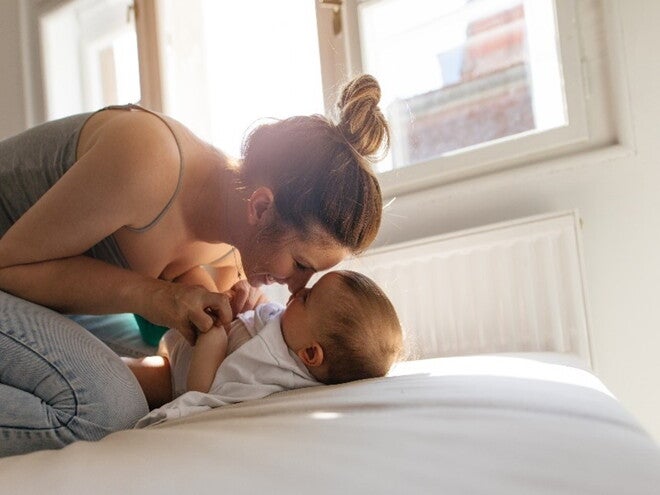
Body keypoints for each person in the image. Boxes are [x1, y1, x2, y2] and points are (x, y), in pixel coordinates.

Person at [0, 74, 390, 457]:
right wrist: (156, 295)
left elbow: (191, 356)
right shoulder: (148, 160)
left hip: (38, 294)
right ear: (260, 207)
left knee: (166, 379)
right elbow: (9, 265)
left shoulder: (234, 249)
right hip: (11, 266)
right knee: (109, 408)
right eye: (301, 264)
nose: (294, 288)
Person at [125, 270, 403, 420]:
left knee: (132, 373)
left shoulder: (267, 370)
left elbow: (202, 392)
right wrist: (245, 296)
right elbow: (261, 311)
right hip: (180, 335)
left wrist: (214, 336)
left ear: (310, 354)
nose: (298, 291)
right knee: (184, 266)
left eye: (307, 298)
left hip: (173, 372)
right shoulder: (292, 330)